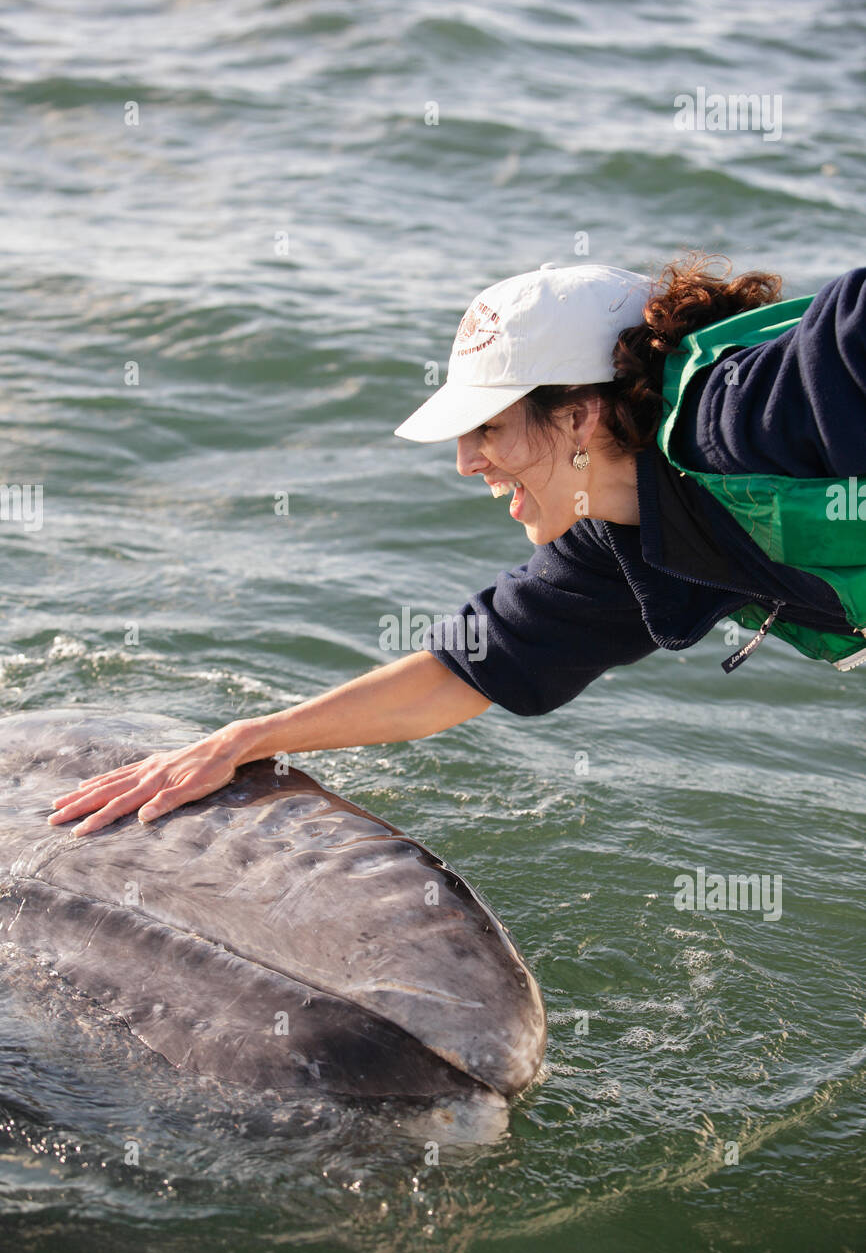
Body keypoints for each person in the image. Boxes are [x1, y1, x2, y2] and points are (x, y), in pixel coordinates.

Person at [48, 254, 866, 837]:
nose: (466, 460)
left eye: (489, 427)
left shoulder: (747, 411)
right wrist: (243, 741)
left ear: (580, 415)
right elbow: (464, 670)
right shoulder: (625, 542)